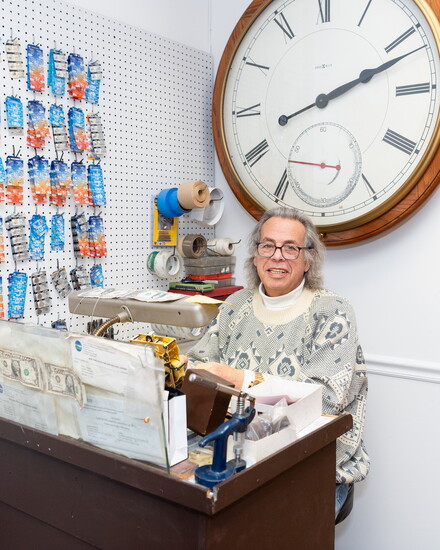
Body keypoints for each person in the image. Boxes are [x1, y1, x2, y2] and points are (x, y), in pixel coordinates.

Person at [186, 206, 370, 516]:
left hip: (311, 464)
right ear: (256, 255)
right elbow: (199, 367)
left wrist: (243, 380)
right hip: (239, 457)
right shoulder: (235, 305)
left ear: (308, 259)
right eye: (268, 246)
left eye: (290, 248)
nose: (277, 256)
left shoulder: (332, 311)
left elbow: (324, 400)